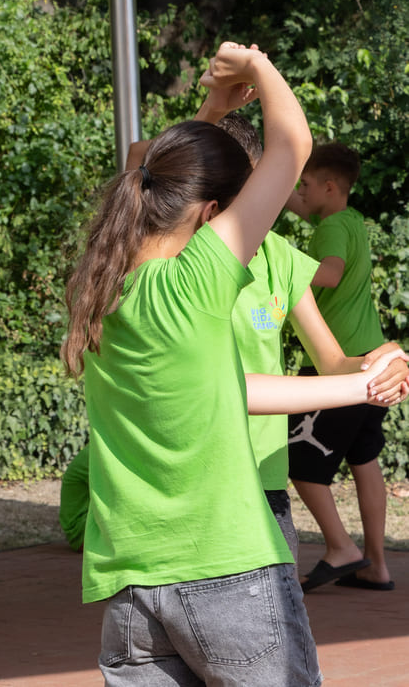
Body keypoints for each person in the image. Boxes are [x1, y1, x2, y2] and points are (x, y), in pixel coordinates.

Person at [62, 42, 405, 684]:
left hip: (131, 581)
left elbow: (238, 388)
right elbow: (291, 147)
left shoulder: (100, 289)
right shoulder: (193, 286)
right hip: (222, 565)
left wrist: (214, 106)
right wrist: (258, 65)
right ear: (214, 215)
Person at [125, 104, 409, 571]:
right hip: (188, 477)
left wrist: (378, 368)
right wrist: (217, 101)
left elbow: (332, 361)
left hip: (263, 478)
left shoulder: (280, 255)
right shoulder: (168, 254)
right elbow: (142, 166)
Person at [284, 143, 398, 590]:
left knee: (297, 458)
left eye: (306, 184)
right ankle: (375, 565)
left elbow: (328, 273)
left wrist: (281, 270)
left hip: (338, 365)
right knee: (364, 460)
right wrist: (265, 176)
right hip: (373, 359)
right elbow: (293, 200)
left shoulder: (329, 229)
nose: (299, 192)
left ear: (329, 187)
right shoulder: (350, 221)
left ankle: (340, 546)